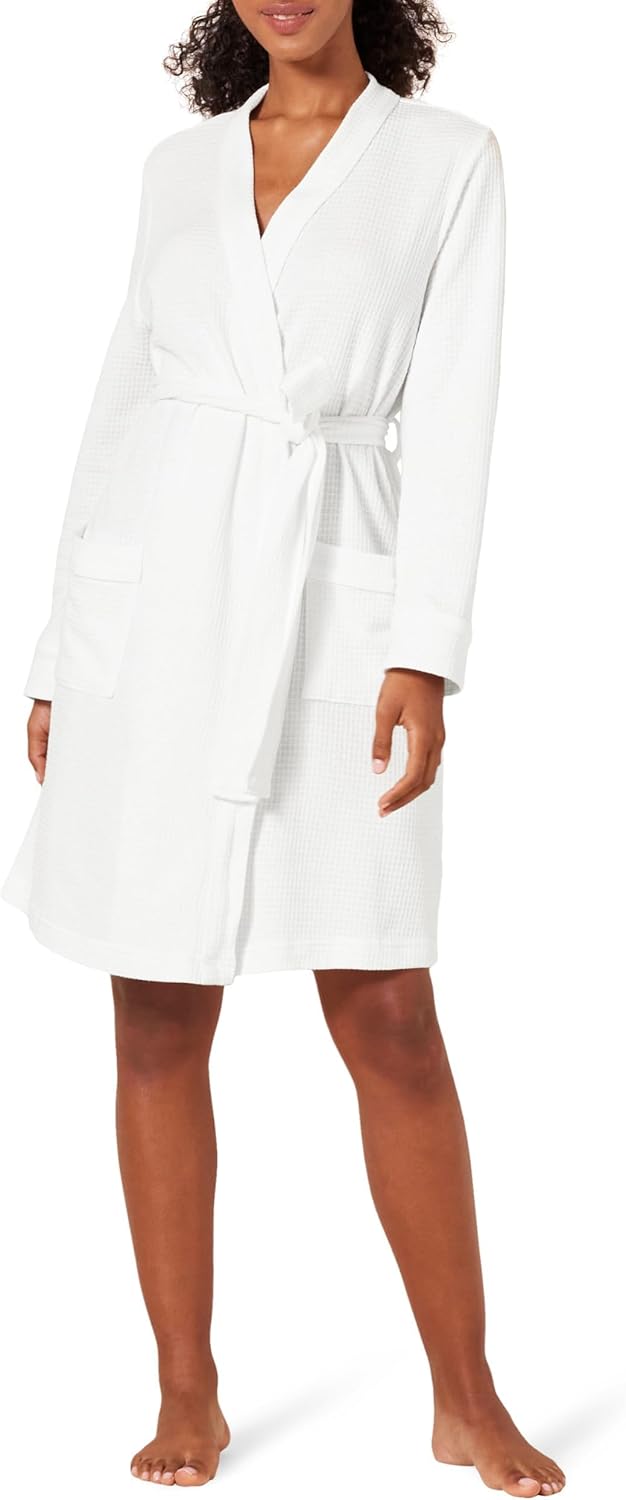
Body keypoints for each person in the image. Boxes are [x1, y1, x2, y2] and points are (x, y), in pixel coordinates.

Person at [2, 0, 565, 1493]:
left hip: (334, 609)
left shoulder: (447, 160)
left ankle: (465, 1396)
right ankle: (186, 1389)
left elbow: (458, 411)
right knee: (153, 1009)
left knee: (387, 1008)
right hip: (154, 622)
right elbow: (120, 407)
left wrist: (422, 646)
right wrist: (61, 651)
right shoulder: (174, 170)